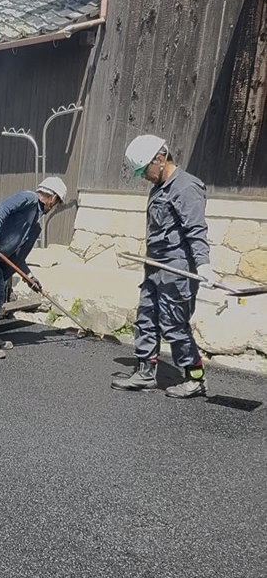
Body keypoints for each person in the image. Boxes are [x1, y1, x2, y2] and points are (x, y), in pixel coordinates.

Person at [112, 135, 213, 399]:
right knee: (146, 317)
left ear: (159, 159)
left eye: (143, 171)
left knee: (174, 324)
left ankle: (195, 378)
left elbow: (196, 230)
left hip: (176, 269)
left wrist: (203, 264)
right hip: (154, 265)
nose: (144, 177)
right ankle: (145, 373)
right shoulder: (159, 187)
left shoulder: (186, 187)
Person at [0, 177, 67, 359]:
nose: (55, 207)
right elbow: (1, 209)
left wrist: (30, 278)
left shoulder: (33, 225)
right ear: (53, 198)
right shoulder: (28, 198)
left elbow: (17, 258)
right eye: (57, 203)